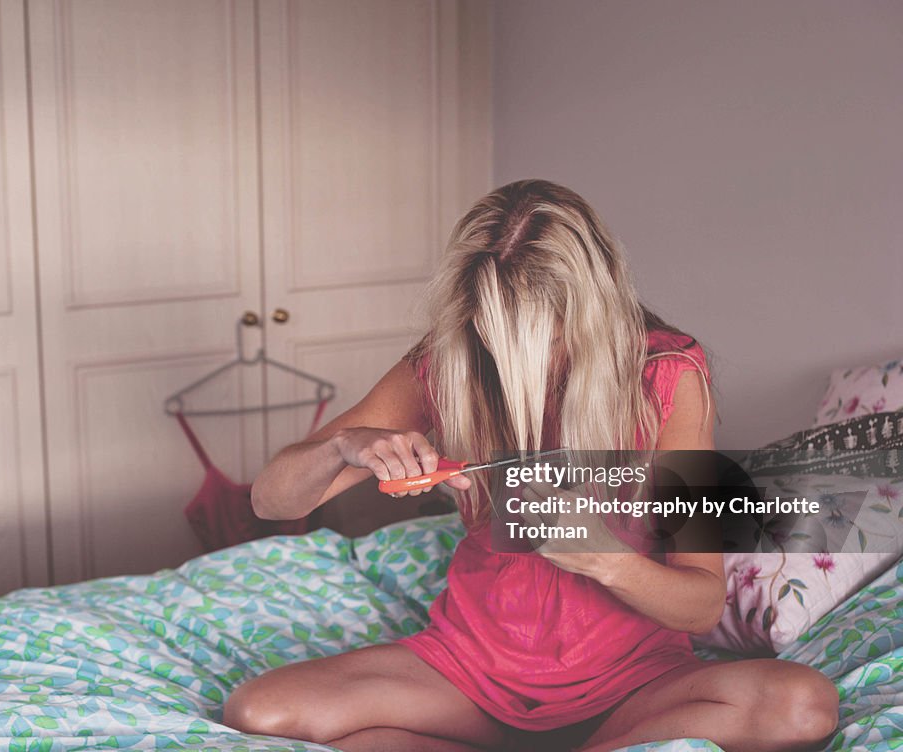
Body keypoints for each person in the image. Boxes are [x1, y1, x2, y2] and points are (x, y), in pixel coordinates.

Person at [222, 180, 839, 752]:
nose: (521, 361)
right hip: (470, 672)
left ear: (595, 309)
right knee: (260, 712)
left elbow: (702, 605)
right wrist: (344, 446)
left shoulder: (669, 375)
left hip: (631, 689)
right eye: (496, 334)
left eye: (546, 336)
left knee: (800, 707)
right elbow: (271, 502)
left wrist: (608, 562)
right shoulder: (448, 359)